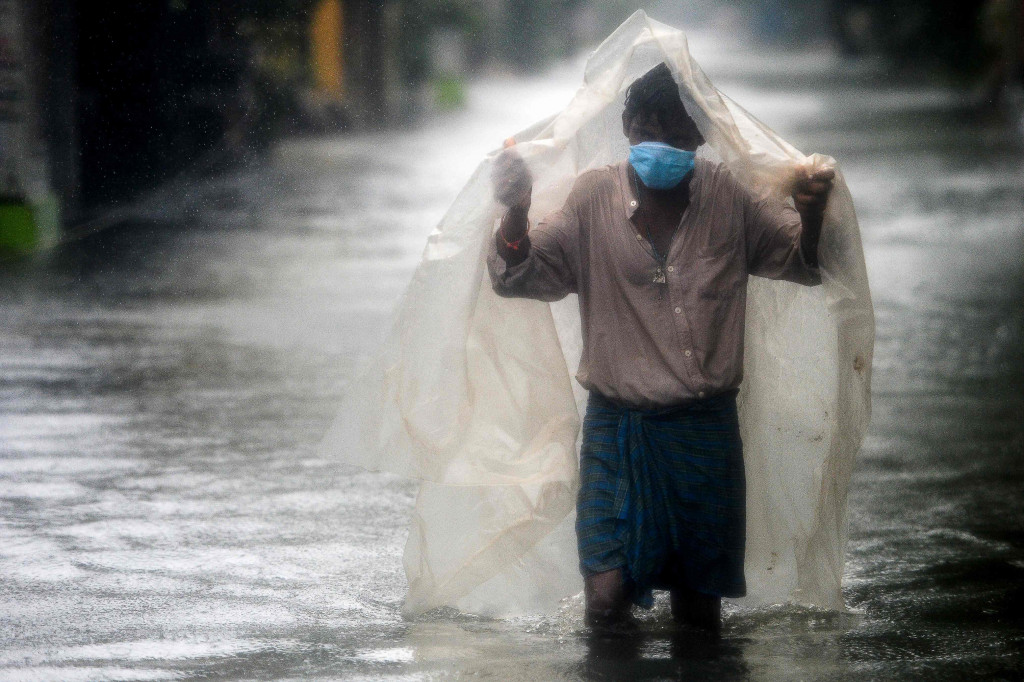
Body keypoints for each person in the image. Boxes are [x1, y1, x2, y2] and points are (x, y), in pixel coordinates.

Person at [488, 63, 835, 634]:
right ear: (626, 125)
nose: (660, 148)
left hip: (704, 433)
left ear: (701, 137)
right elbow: (516, 275)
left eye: (676, 136)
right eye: (647, 132)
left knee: (698, 615)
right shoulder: (593, 199)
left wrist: (812, 212)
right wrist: (517, 211)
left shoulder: (731, 199)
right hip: (615, 431)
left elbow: (804, 263)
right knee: (605, 600)